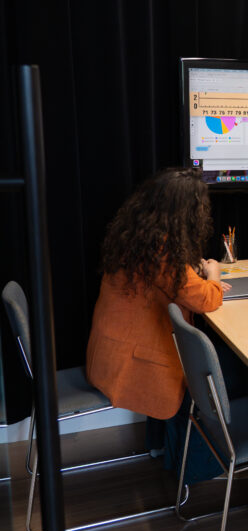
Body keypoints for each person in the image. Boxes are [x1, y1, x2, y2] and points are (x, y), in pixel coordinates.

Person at [86, 167, 229, 421]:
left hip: (107, 354)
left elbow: (170, 281)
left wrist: (197, 271)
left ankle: (166, 451)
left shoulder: (136, 236)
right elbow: (205, 299)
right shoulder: (163, 252)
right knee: (210, 377)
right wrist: (214, 272)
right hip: (130, 363)